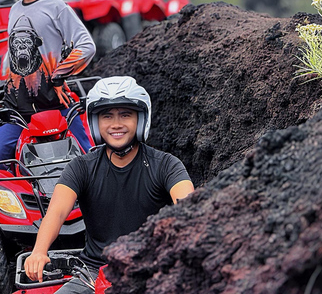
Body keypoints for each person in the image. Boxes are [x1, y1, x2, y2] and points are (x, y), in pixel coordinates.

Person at [23, 76, 195, 292]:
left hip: (153, 272)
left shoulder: (167, 165)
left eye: (125, 115)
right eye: (107, 116)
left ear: (141, 119)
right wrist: (39, 250)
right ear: (95, 122)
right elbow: (56, 213)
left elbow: (189, 207)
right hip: (93, 274)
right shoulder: (81, 167)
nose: (116, 124)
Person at [0, 0, 95, 163]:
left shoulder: (57, 7)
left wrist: (59, 75)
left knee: (90, 159)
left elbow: (87, 46)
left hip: (54, 102)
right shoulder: (14, 9)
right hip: (16, 105)